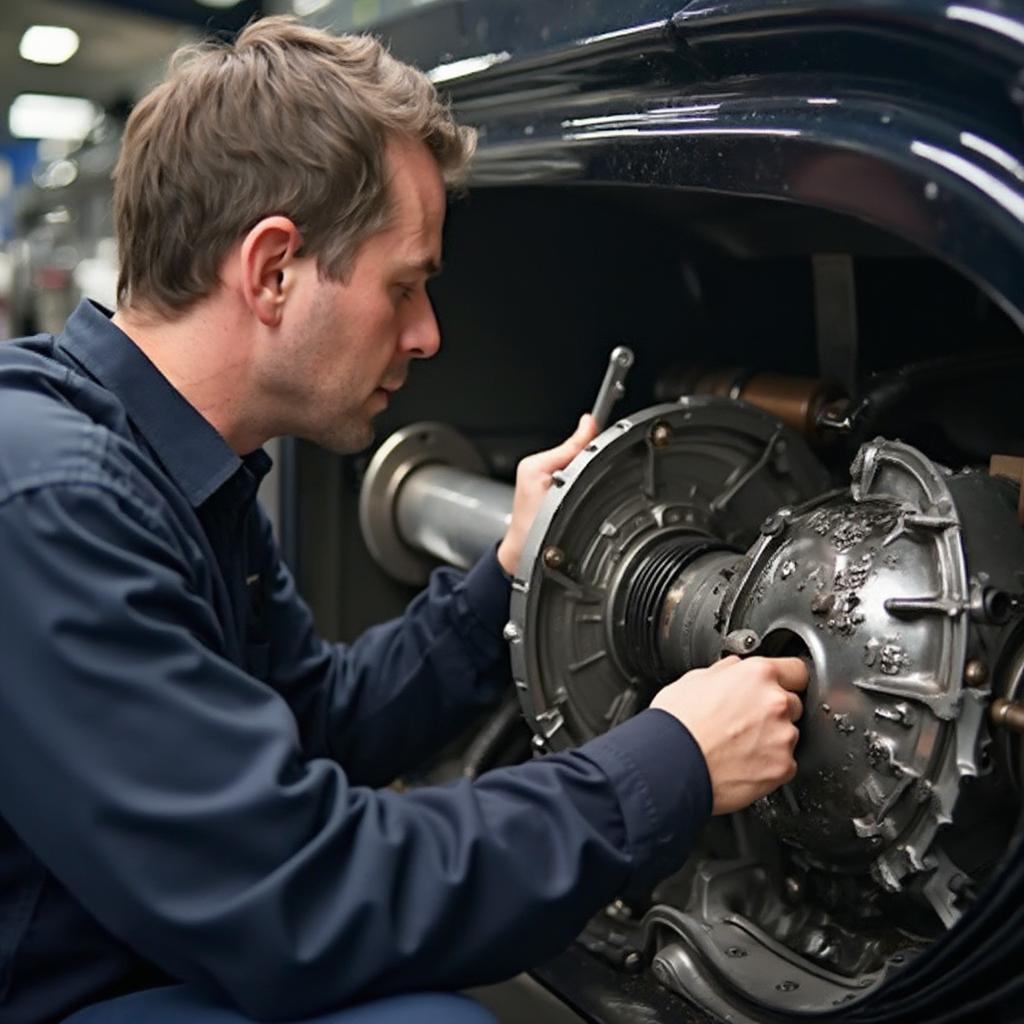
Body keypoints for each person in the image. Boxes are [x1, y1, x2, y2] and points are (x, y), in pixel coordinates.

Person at [0, 17, 807, 1024]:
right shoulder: (53, 502)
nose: (427, 334)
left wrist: (513, 570)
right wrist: (667, 763)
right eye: (406, 284)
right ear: (273, 270)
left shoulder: (176, 470)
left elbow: (319, 724)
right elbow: (300, 898)